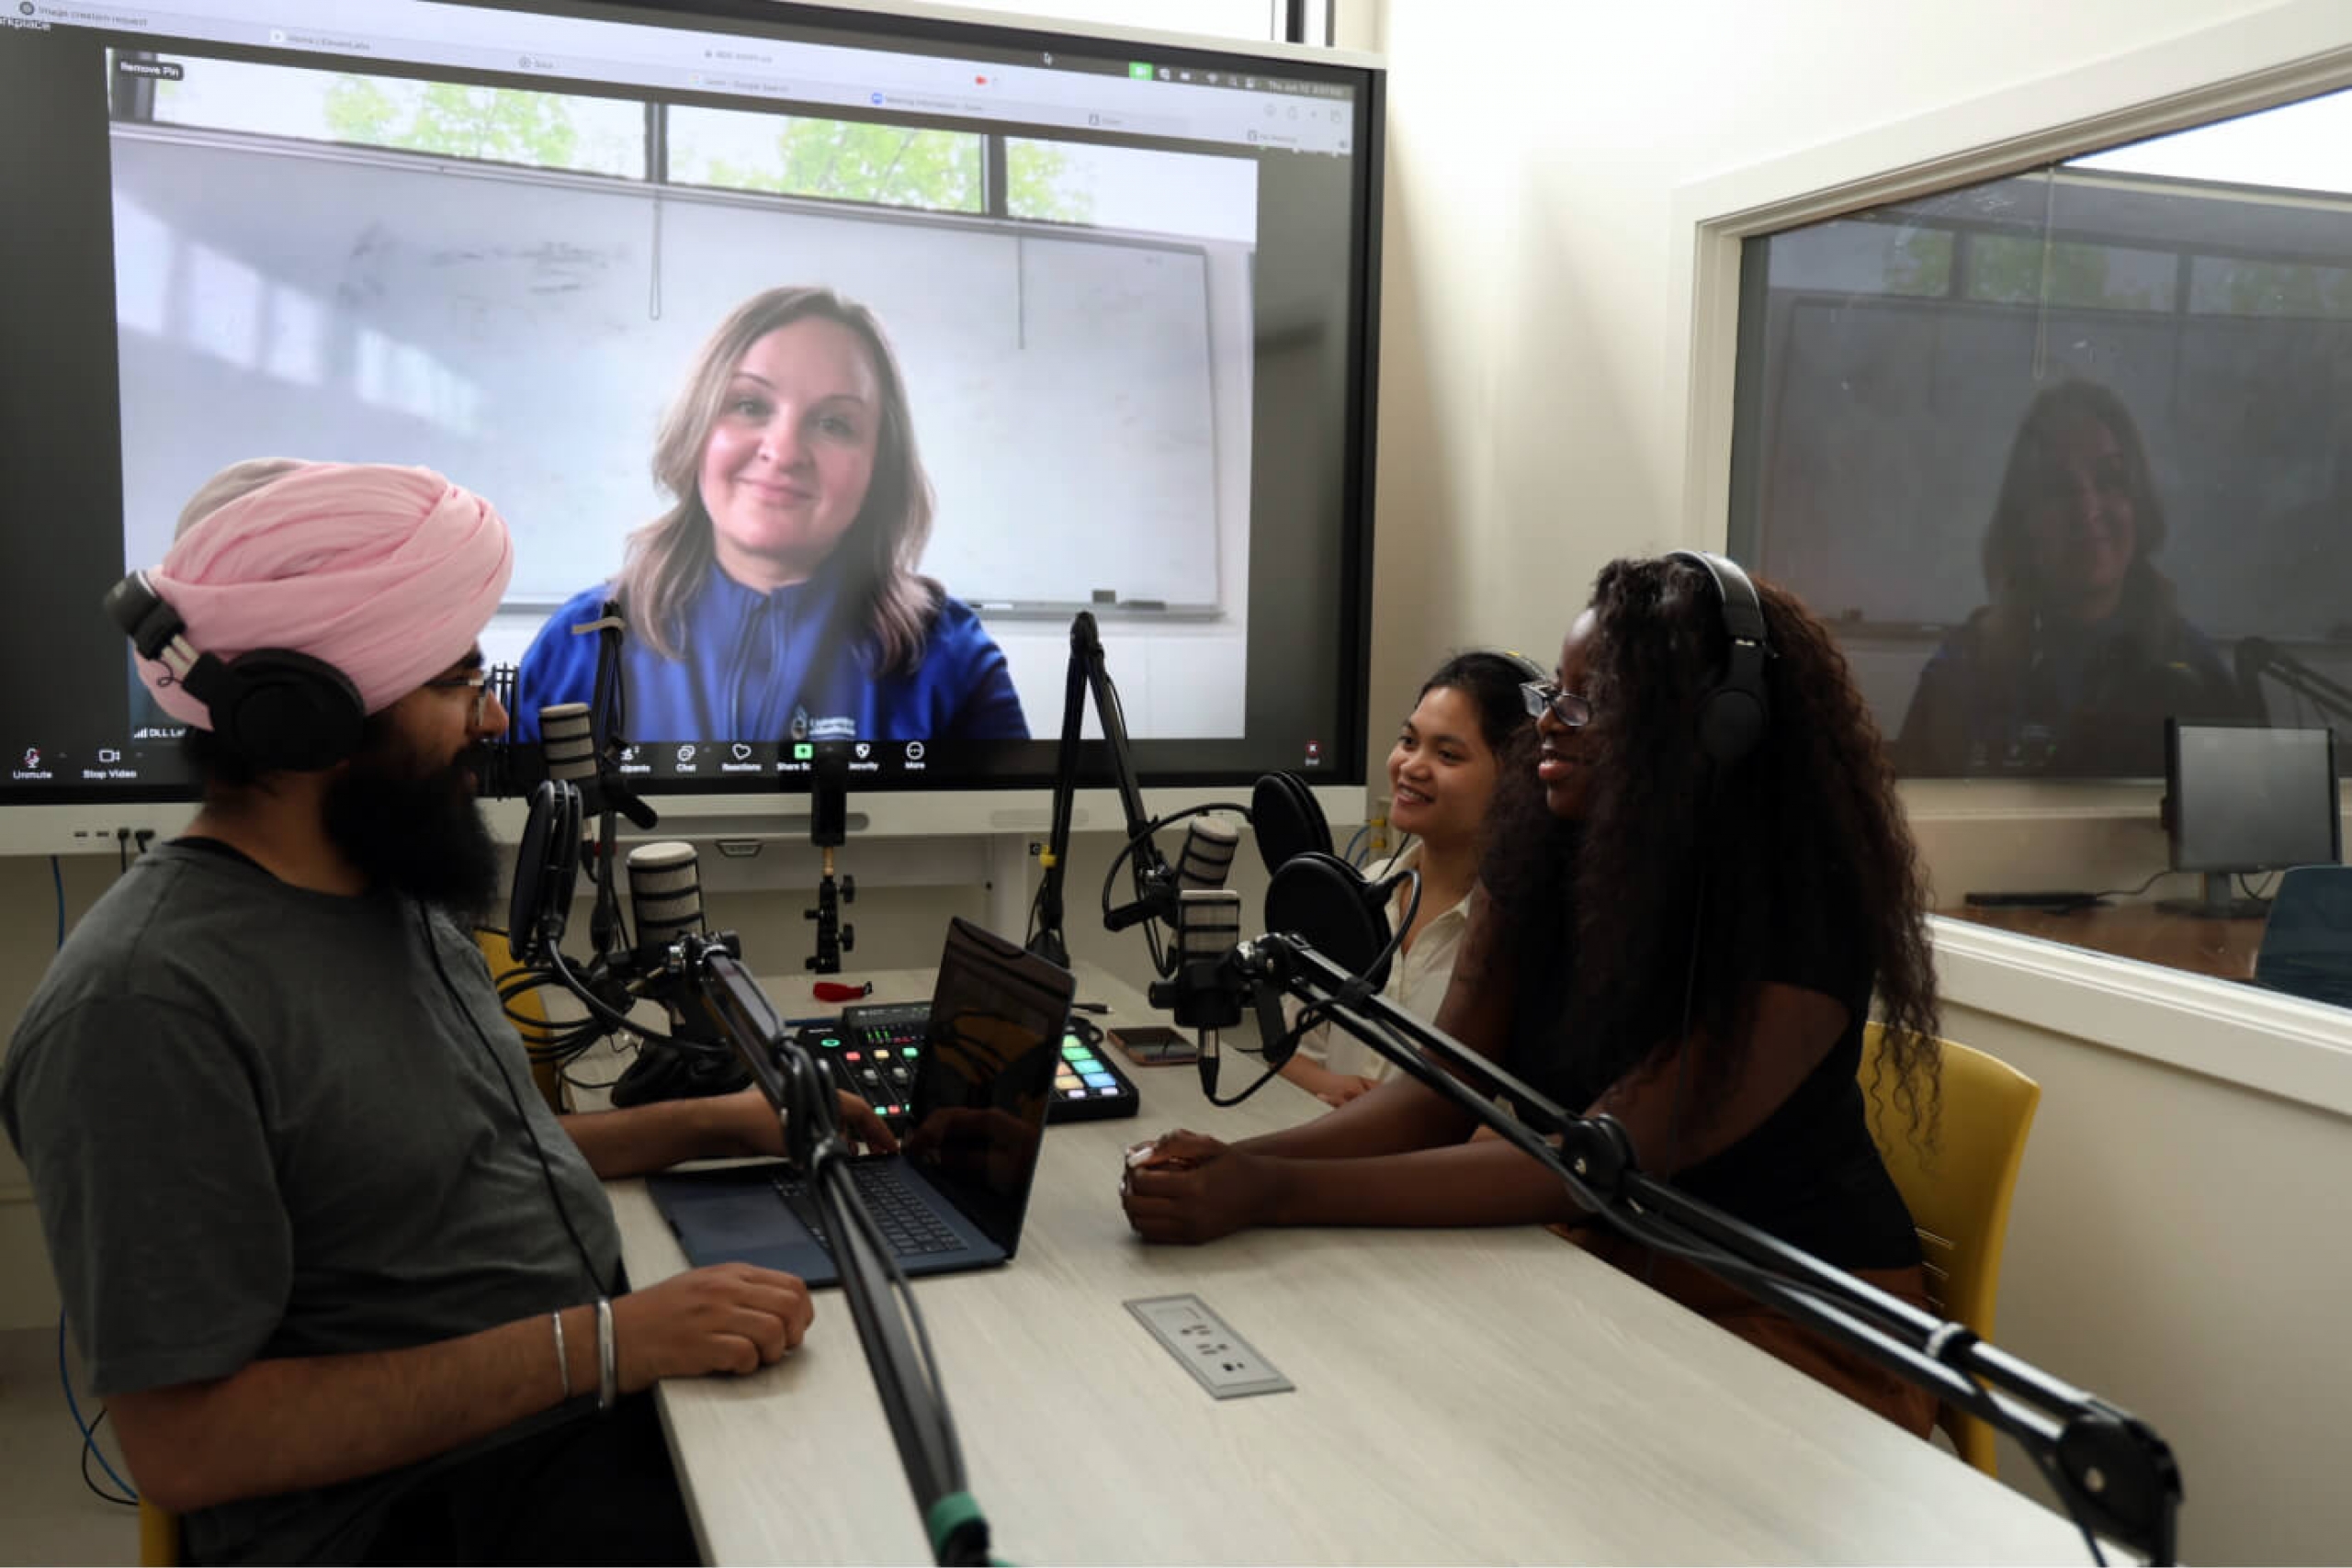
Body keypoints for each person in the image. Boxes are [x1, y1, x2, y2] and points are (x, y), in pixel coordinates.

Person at [1, 460, 896, 1565]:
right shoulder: (145, 1010)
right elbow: (190, 1445)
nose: (490, 714)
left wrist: (715, 1125)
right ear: (308, 721)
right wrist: (611, 1343)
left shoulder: (385, 889)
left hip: (560, 1421)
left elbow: (450, 1161)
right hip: (415, 1515)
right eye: (455, 681)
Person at [1122, 554, 1946, 1434]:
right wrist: (1239, 1162)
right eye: (1558, 689)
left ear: (1709, 730)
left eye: (1590, 702)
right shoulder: (1545, 841)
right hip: (1623, 1271)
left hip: (1808, 1325)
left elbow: (1586, 1165)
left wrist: (1270, 1191)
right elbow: (1441, 1089)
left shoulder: (1804, 912)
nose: (1548, 720)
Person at [519, 286, 1029, 747]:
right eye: (748, 405)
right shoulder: (579, 645)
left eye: (834, 423)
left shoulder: (951, 657)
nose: (784, 452)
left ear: (880, 464)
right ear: (697, 428)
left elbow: (1009, 845)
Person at [1894, 379, 2255, 777]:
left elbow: (2238, 831)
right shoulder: (1962, 671)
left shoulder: (2196, 675)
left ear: (2138, 506)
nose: (2087, 509)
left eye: (2110, 480)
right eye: (2058, 487)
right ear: (2023, 520)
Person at [1280, 651, 1535, 1107]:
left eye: (1448, 754)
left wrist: (1384, 1126)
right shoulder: (1357, 893)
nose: (1411, 766)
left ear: (1515, 779)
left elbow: (1528, 1136)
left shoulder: (1522, 932)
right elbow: (1289, 1055)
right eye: (1408, 741)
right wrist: (1333, 1090)